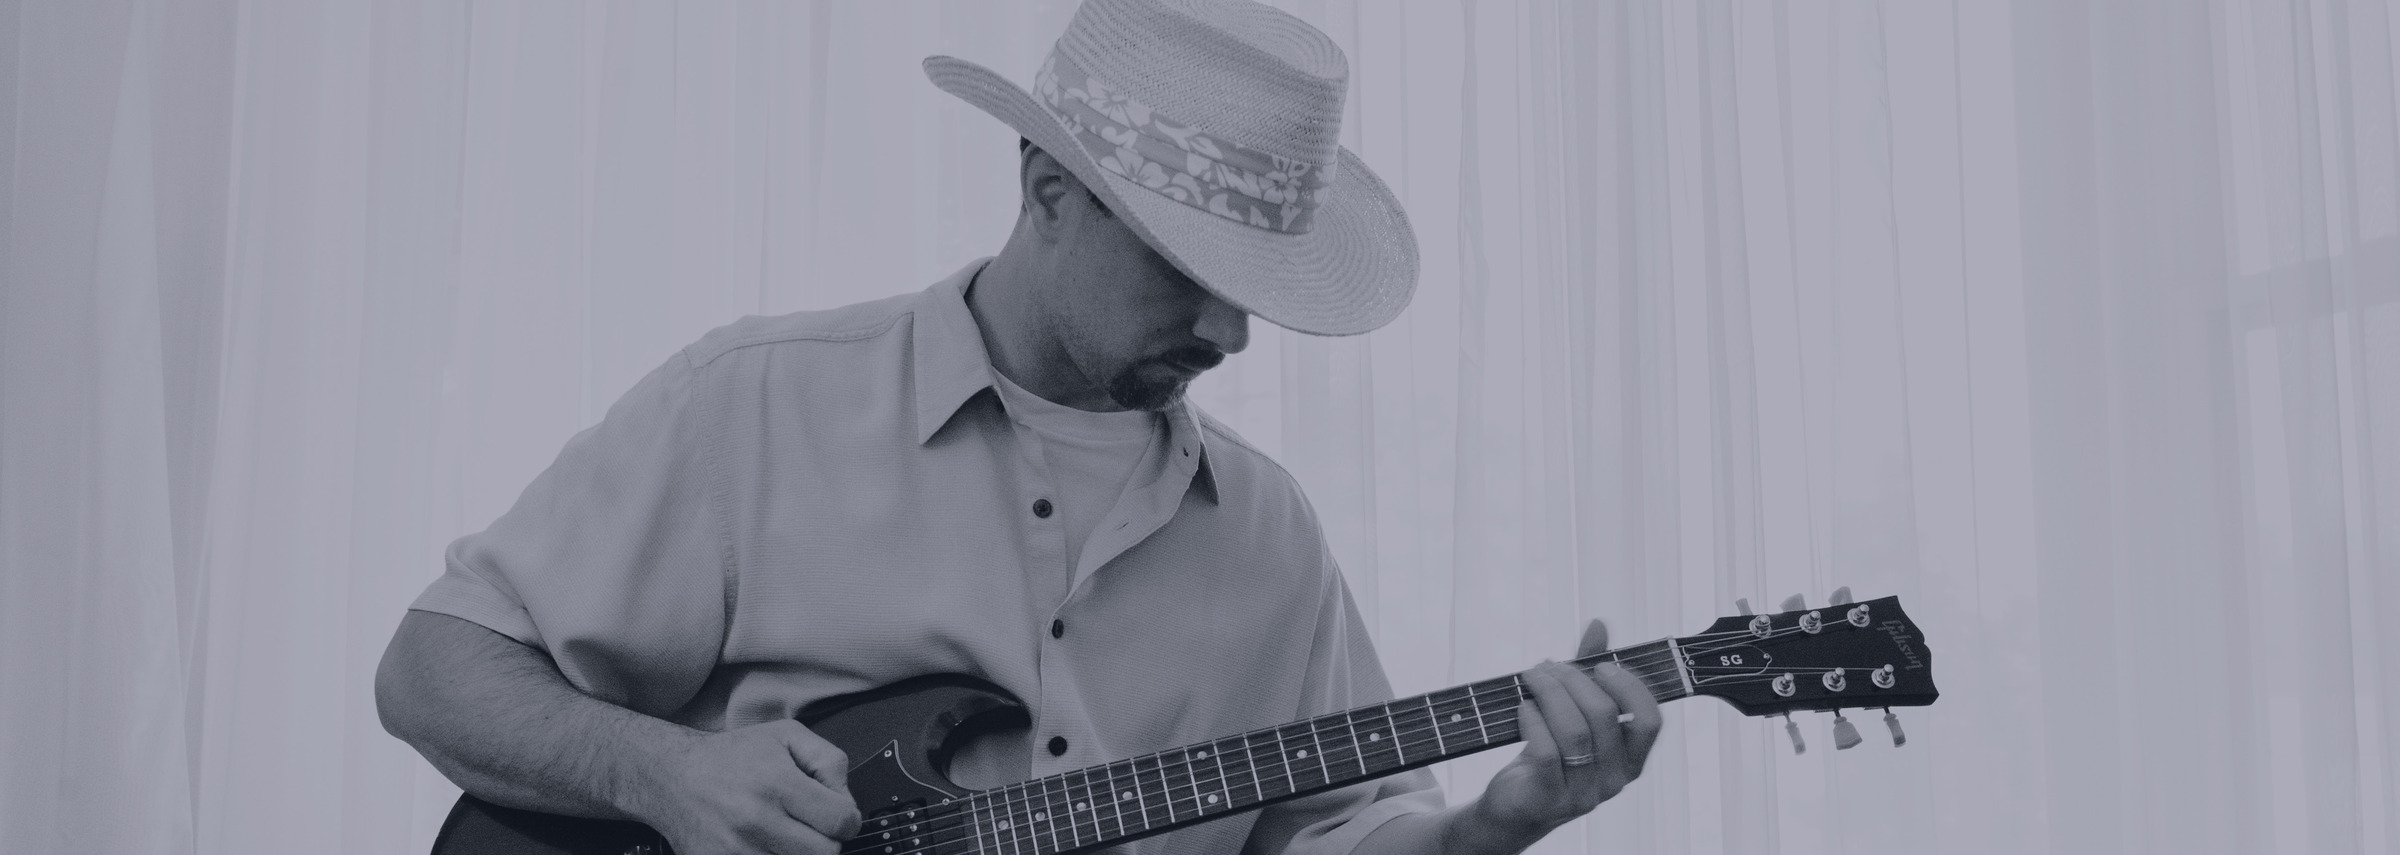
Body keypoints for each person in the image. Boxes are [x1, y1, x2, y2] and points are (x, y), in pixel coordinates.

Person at [374, 1, 1660, 853]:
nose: (1229, 333)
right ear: (1049, 189)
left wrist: (1490, 827)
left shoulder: (1270, 533)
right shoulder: (757, 402)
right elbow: (432, 671)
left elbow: (1329, 832)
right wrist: (659, 773)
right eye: (1189, 271)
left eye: (1256, 289)